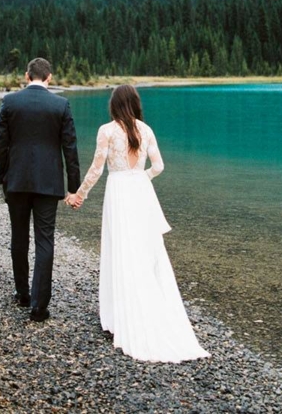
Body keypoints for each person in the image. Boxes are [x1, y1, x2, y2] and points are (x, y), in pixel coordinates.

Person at [71, 84, 208, 362]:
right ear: (135, 104)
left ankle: (118, 316)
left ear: (114, 105)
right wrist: (141, 179)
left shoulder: (106, 130)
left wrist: (79, 195)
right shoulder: (146, 130)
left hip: (119, 192)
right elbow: (158, 167)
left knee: (120, 249)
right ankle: (150, 307)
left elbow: (97, 169)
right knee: (146, 250)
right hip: (140, 192)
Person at [0, 57, 80, 322]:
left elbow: (0, 143)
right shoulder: (61, 105)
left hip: (17, 181)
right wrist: (73, 187)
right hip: (48, 184)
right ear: (50, 78)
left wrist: (3, 176)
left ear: (27, 75)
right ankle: (39, 307)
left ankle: (22, 294)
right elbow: (70, 149)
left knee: (19, 238)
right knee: (45, 240)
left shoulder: (10, 102)